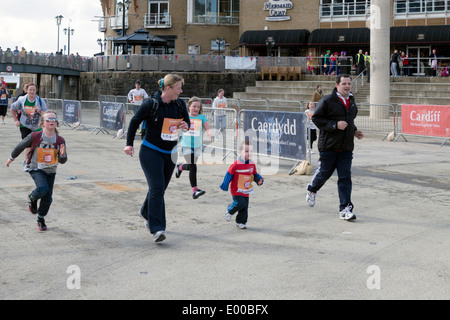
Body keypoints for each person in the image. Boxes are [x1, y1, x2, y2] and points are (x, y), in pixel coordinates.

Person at [124, 74, 190, 243]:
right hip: (150, 151)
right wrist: (129, 144)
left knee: (159, 189)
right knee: (158, 187)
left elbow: (187, 123)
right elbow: (134, 122)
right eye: (178, 88)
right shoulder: (151, 104)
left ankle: (145, 211)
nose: (181, 91)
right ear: (168, 88)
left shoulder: (180, 104)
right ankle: (157, 228)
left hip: (170, 153)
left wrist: (185, 125)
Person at [306, 75, 364, 221]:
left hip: (346, 147)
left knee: (345, 178)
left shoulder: (351, 101)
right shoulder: (327, 100)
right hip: (329, 146)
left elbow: (349, 121)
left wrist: (354, 131)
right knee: (324, 173)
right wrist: (334, 125)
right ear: (337, 85)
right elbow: (317, 119)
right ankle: (312, 189)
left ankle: (345, 208)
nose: (347, 86)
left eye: (349, 84)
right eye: (344, 83)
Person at [6, 111, 68, 231]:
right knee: (42, 188)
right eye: (48, 119)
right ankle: (32, 198)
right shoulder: (35, 136)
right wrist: (11, 158)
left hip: (51, 170)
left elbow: (63, 160)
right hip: (36, 168)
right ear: (42, 123)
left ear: (57, 123)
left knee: (48, 198)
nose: (51, 121)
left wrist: (63, 155)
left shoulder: (60, 140)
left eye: (54, 119)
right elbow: (21, 146)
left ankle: (40, 218)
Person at [220, 139, 264, 229]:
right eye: (246, 151)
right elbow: (229, 175)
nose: (249, 153)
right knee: (240, 203)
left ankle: (241, 221)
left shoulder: (252, 164)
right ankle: (230, 210)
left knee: (245, 206)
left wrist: (259, 179)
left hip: (246, 189)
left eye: (251, 151)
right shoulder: (236, 164)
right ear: (240, 152)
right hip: (236, 189)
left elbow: (254, 174)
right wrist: (225, 185)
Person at [176, 96, 211, 199]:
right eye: (194, 106)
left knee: (191, 166)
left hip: (197, 146)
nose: (196, 109)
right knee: (193, 167)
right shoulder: (185, 116)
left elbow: (207, 126)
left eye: (198, 107)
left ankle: (180, 167)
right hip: (186, 145)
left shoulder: (202, 117)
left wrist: (209, 132)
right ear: (189, 107)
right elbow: (177, 126)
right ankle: (195, 190)